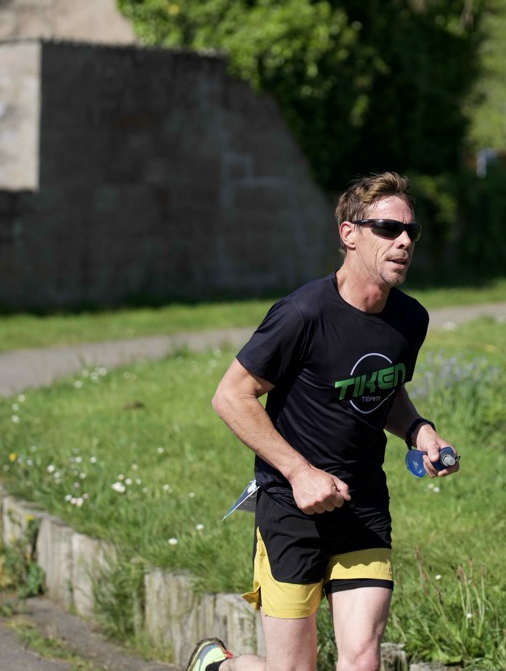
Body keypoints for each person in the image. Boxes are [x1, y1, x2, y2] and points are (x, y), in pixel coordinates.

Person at [191, 172, 459, 671]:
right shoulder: (302, 314)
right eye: (388, 228)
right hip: (292, 507)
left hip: (362, 504)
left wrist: (418, 430)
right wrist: (300, 473)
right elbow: (231, 396)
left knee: (362, 660)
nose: (404, 241)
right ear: (349, 234)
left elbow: (382, 387)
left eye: (411, 231)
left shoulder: (410, 319)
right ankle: (219, 665)